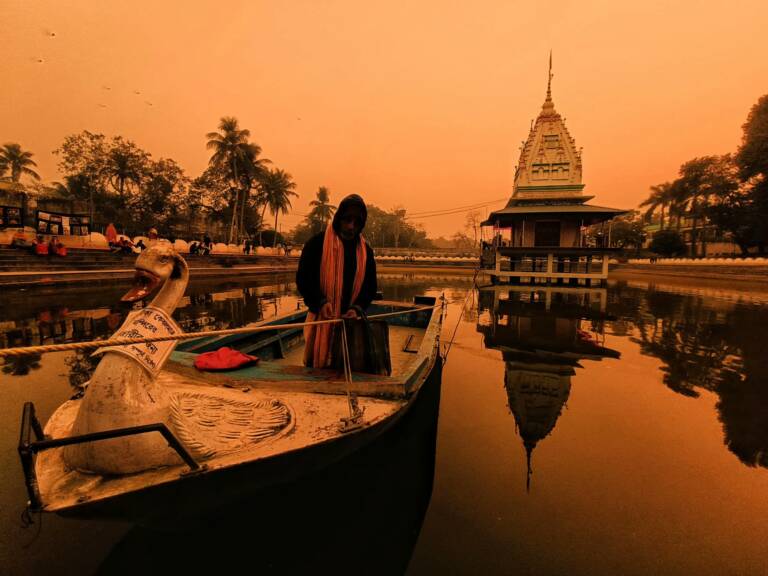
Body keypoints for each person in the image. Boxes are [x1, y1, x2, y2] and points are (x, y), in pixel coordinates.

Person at [296, 194, 377, 368]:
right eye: (347, 220)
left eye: (356, 223)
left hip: (351, 324)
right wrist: (320, 302)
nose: (350, 227)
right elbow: (303, 279)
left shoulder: (366, 252)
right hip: (321, 320)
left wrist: (357, 308)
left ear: (361, 225)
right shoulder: (316, 244)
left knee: (348, 366)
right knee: (317, 365)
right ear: (338, 218)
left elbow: (370, 287)